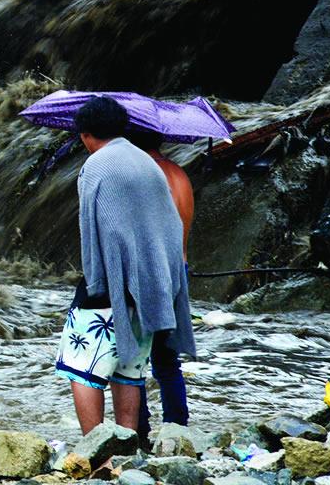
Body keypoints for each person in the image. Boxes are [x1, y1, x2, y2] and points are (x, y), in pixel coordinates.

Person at [54, 97, 196, 434]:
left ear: (85, 134)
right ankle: (127, 445)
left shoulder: (98, 165)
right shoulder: (148, 164)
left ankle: (98, 448)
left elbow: (92, 226)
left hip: (112, 283)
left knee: (81, 365)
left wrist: (96, 283)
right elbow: (171, 226)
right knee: (129, 368)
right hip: (153, 283)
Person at [126, 128, 193, 439]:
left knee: (134, 357)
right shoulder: (180, 174)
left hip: (151, 272)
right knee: (168, 362)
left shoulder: (146, 176)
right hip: (179, 268)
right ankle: (178, 431)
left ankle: (139, 431)